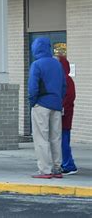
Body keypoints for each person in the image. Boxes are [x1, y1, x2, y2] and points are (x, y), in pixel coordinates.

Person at [28, 37, 66, 179]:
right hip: (56, 104)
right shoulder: (57, 65)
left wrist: (33, 102)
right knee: (56, 138)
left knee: (41, 138)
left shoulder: (36, 64)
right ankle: (57, 168)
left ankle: (45, 170)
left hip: (41, 104)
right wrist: (59, 100)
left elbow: (33, 87)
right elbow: (64, 86)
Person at [58, 56, 78, 175]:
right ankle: (66, 163)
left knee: (63, 140)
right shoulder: (64, 79)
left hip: (65, 115)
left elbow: (69, 98)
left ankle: (68, 165)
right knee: (62, 140)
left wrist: (61, 108)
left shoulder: (66, 80)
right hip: (64, 114)